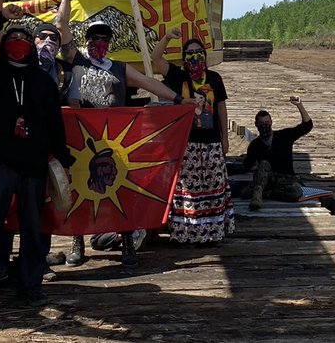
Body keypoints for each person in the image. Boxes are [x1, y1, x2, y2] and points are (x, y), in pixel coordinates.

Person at [0, 0, 74, 312]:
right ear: (4, 45)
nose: (18, 44)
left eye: (24, 39)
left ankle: (30, 286)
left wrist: (63, 160)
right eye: (13, 39)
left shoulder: (43, 82)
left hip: (33, 168)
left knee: (33, 230)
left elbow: (55, 124)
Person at [66, 20, 184, 266]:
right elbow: (62, 27)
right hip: (82, 140)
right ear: (86, 40)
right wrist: (65, 1)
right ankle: (77, 241)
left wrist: (178, 99)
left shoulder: (119, 68)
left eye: (105, 38)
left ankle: (128, 239)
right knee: (79, 187)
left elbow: (147, 82)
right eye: (95, 37)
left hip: (114, 140)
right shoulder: (76, 61)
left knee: (121, 187)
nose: (100, 42)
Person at [151, 29, 234, 244]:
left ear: (204, 56)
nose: (194, 56)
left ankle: (213, 232)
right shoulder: (179, 76)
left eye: (198, 52)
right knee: (188, 190)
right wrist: (167, 38)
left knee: (213, 185)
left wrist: (225, 138)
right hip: (187, 143)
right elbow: (156, 58)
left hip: (212, 142)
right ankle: (187, 233)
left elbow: (221, 108)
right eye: (189, 53)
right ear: (184, 57)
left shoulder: (214, 78)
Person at [243, 97, 312, 208]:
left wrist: (300, 106)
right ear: (256, 125)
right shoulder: (255, 145)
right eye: (261, 123)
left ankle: (266, 194)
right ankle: (257, 194)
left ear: (271, 123)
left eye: (267, 122)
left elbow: (307, 126)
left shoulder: (284, 136)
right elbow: (247, 166)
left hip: (286, 180)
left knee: (296, 192)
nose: (264, 125)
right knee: (264, 164)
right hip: (267, 180)